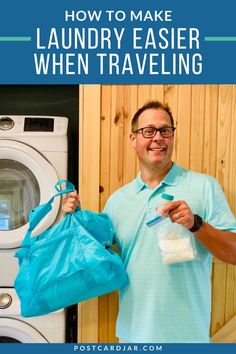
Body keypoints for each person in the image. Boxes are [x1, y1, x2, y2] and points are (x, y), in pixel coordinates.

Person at [62, 100, 236, 343]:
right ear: (133, 139)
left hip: (189, 338)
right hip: (132, 338)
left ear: (173, 137)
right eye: (148, 131)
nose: (158, 138)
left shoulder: (204, 187)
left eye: (165, 130)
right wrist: (77, 221)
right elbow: (97, 262)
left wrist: (195, 224)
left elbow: (233, 253)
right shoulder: (117, 201)